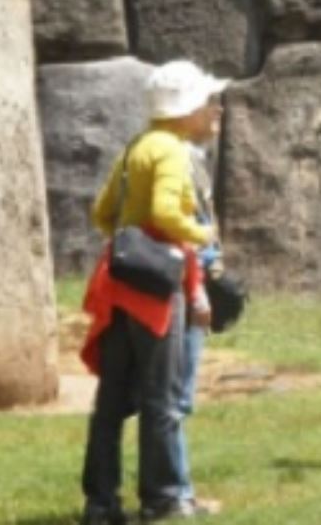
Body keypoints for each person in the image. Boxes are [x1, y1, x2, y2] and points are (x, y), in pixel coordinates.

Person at [79, 60, 226, 525]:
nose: (215, 110)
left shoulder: (138, 146)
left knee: (111, 401)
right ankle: (163, 499)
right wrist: (201, 236)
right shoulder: (172, 151)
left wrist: (132, 241)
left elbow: (103, 213)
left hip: (120, 284)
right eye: (209, 102)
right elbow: (165, 212)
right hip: (158, 290)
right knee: (161, 399)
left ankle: (101, 503)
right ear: (186, 109)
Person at [171, 92, 225, 516]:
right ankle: (176, 495)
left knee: (171, 397)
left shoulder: (187, 155)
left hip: (186, 283)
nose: (218, 110)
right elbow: (181, 232)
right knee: (174, 399)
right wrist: (198, 287)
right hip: (181, 286)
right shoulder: (178, 159)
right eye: (209, 102)